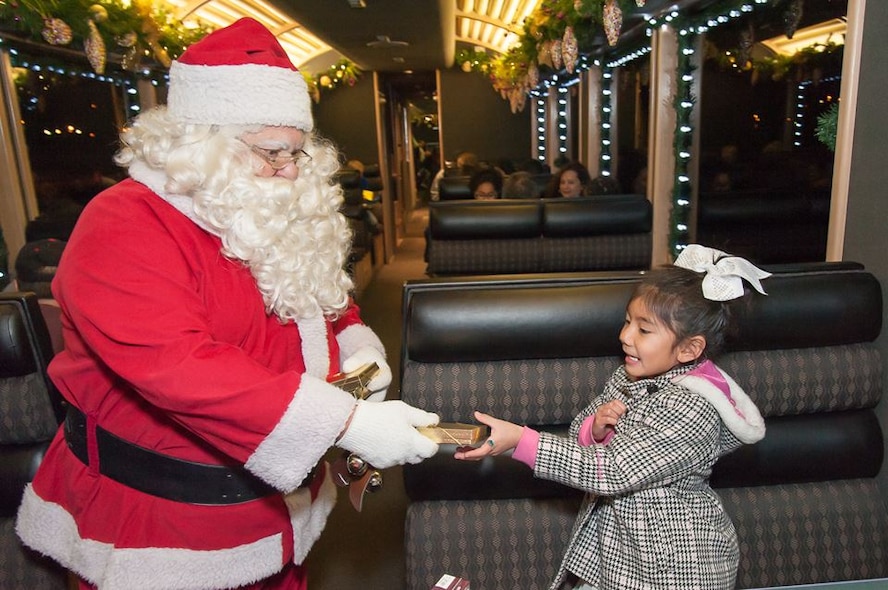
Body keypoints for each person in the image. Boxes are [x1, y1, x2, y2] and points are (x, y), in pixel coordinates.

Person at [15, 18, 439, 590]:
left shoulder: (264, 204)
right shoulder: (124, 225)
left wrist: (357, 345)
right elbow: (178, 366)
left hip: (277, 509)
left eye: (297, 154)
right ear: (203, 142)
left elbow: (321, 296)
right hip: (163, 532)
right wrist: (349, 420)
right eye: (271, 153)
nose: (289, 172)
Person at [455, 244, 768, 590]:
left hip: (674, 567)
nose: (625, 336)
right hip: (618, 553)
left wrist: (521, 441)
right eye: (627, 321)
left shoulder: (691, 408)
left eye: (644, 330)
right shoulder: (629, 376)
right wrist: (596, 428)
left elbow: (613, 471)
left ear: (689, 349)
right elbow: (579, 436)